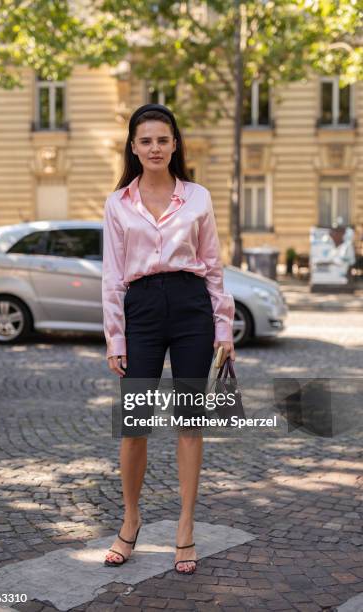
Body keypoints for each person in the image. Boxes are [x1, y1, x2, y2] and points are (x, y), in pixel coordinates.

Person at [102, 103, 235, 574]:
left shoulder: (197, 197)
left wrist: (224, 325)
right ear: (133, 148)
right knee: (134, 423)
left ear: (175, 143)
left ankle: (185, 525)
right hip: (141, 309)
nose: (155, 148)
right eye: (146, 140)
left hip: (190, 306)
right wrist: (115, 337)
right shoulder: (118, 203)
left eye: (163, 139)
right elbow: (113, 276)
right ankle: (131, 519)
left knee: (189, 420)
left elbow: (213, 264)